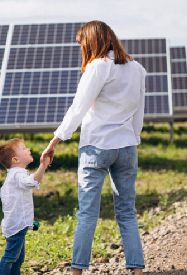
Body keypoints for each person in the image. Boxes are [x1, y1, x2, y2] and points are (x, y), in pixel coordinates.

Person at [40, 20, 146, 275]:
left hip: (97, 146)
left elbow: (79, 107)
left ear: (91, 42)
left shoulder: (98, 66)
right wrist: (134, 138)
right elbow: (139, 114)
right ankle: (137, 271)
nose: (81, 50)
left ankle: (77, 272)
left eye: (82, 45)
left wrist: (55, 140)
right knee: (127, 213)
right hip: (127, 147)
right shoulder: (137, 68)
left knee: (87, 213)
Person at [0, 138, 50, 275]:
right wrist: (42, 166)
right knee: (11, 257)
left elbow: (18, 204)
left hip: (18, 224)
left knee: (18, 258)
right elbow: (31, 182)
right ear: (15, 160)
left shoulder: (16, 175)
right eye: (24, 148)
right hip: (16, 227)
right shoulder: (17, 175)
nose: (29, 149)